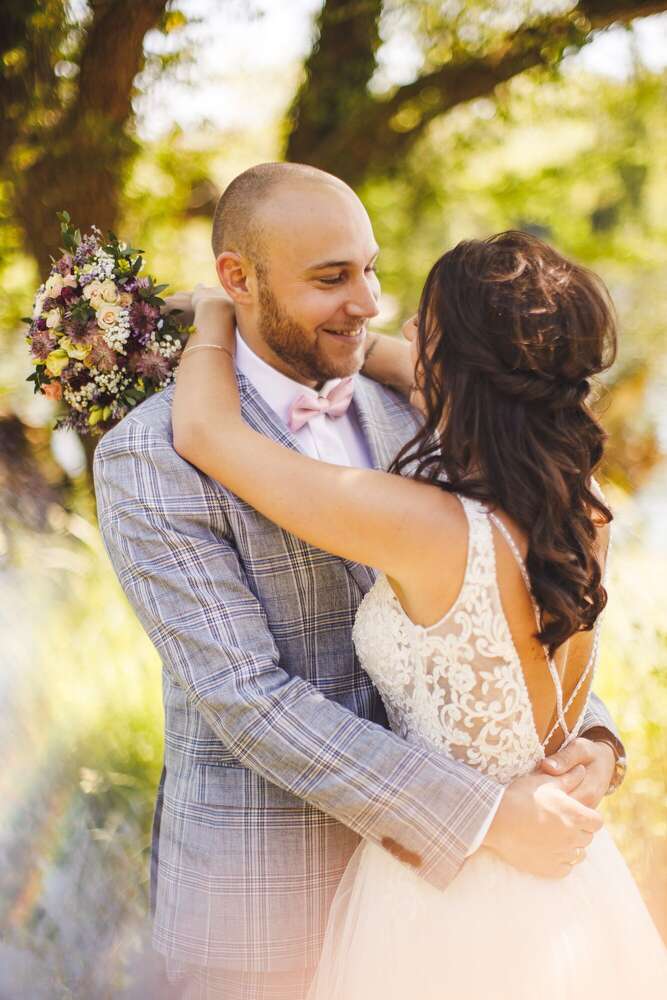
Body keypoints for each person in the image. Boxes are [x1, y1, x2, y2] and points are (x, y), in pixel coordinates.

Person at [94, 162, 628, 1000]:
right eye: (332, 278)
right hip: (268, 909)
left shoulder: (424, 408)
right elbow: (247, 698)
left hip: (462, 902)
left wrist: (592, 739)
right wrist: (486, 814)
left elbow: (521, 611)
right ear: (238, 278)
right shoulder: (149, 455)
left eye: (371, 269)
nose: (370, 303)